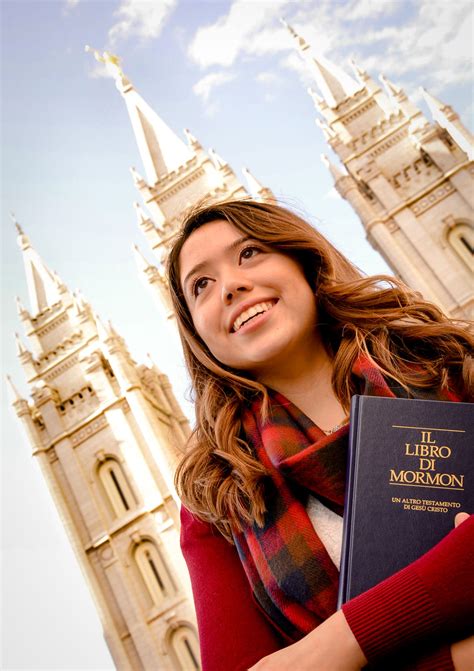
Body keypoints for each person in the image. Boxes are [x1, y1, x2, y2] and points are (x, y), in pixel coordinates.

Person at [166, 199, 474, 671]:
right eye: (201, 285)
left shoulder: (452, 367)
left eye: (249, 253)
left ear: (303, 261)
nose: (230, 285)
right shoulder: (214, 497)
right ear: (197, 334)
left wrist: (334, 647)